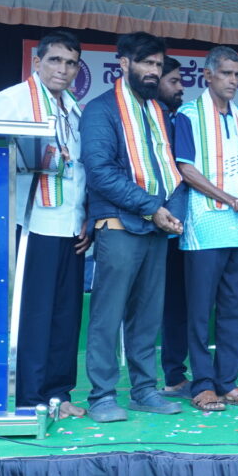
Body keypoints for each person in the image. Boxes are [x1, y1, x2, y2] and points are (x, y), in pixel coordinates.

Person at [80, 32, 186, 422]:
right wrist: (152, 207)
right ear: (124, 63)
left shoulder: (158, 112)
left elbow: (173, 171)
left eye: (158, 64)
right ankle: (102, 396)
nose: (153, 71)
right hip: (119, 226)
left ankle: (144, 390)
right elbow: (100, 172)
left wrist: (171, 212)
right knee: (107, 315)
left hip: (156, 229)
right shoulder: (101, 109)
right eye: (146, 63)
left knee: (147, 317)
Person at [0, 31, 88, 418]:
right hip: (31, 224)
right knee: (34, 315)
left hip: (71, 227)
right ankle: (30, 397)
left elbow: (81, 169)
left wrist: (87, 217)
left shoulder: (75, 108)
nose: (62, 69)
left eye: (70, 63)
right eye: (55, 60)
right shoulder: (12, 100)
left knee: (66, 315)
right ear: (37, 62)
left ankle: (58, 394)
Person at [174, 46, 238, 411]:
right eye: (226, 73)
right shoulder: (188, 114)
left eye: (237, 75)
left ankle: (227, 382)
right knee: (200, 312)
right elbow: (186, 169)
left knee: (235, 311)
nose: (233, 80)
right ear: (207, 75)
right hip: (204, 228)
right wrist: (231, 199)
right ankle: (202, 384)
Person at [157, 56, 191, 397]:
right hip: (144, 225)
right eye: (174, 81)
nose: (181, 87)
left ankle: (175, 376)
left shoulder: (181, 120)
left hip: (180, 229)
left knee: (177, 305)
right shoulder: (144, 121)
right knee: (142, 307)